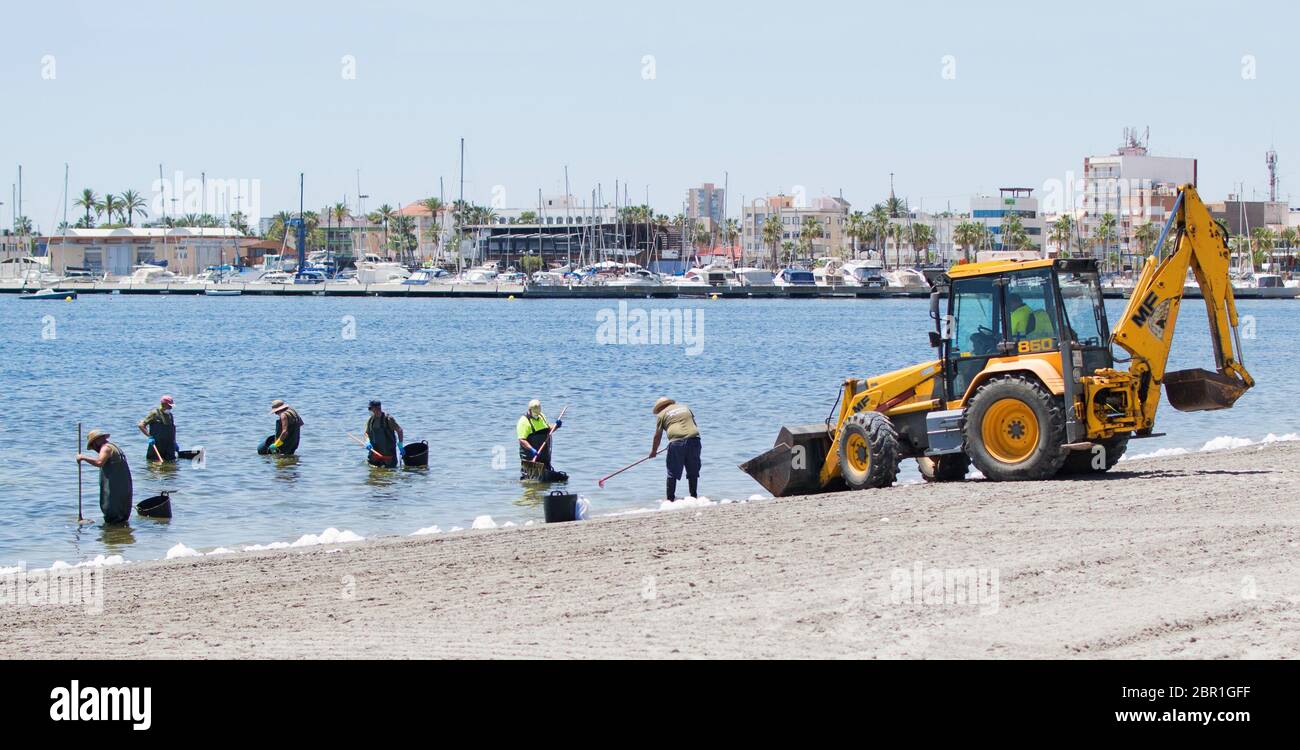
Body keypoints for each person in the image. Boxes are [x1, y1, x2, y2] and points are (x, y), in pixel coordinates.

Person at [76, 429, 134, 524]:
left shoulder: (106, 448)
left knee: (112, 516)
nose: (94, 449)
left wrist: (83, 457)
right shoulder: (115, 447)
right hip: (125, 487)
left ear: (97, 441)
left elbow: (99, 462)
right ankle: (122, 534)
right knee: (122, 516)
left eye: (93, 445)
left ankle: (112, 535)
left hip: (115, 489)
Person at [650, 397, 701, 502]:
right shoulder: (685, 407)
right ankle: (694, 497)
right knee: (693, 471)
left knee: (672, 472)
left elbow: (657, 436)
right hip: (694, 439)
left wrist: (654, 451)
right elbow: (694, 425)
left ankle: (670, 500)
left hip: (676, 443)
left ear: (660, 408)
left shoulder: (661, 414)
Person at [516, 399, 566, 481]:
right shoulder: (523, 422)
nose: (536, 415)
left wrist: (556, 426)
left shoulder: (541, 416)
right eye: (535, 413)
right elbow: (522, 440)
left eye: (537, 413)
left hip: (544, 455)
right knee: (531, 480)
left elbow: (548, 430)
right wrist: (532, 449)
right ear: (529, 410)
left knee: (546, 482)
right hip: (530, 457)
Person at [137, 395, 179, 462]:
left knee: (171, 467)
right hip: (157, 446)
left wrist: (174, 442)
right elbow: (141, 425)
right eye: (169, 406)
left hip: (169, 446)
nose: (171, 408)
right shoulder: (155, 413)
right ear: (164, 404)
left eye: (171, 406)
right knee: (155, 467)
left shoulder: (170, 415)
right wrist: (150, 437)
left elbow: (172, 429)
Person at [364, 400, 404, 468]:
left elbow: (399, 430)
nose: (370, 411)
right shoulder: (370, 420)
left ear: (378, 408)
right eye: (369, 409)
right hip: (374, 455)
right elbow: (366, 433)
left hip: (388, 456)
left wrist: (400, 445)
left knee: (389, 474)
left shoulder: (388, 419)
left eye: (371, 409)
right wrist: (367, 441)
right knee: (373, 475)